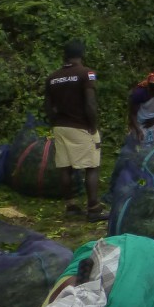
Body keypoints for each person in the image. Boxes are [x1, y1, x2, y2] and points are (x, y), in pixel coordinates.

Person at [44, 39, 108, 221]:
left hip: (60, 127)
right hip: (81, 126)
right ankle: (94, 209)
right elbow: (90, 103)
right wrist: (93, 125)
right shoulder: (87, 74)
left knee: (65, 167)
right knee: (92, 166)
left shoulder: (52, 78)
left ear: (65, 55)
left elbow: (48, 107)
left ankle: (71, 207)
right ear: (82, 54)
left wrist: (55, 122)